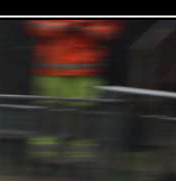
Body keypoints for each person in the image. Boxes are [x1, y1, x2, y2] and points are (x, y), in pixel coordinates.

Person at [26, 19, 122, 163]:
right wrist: (71, 26)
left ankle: (79, 159)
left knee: (82, 117)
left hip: (85, 72)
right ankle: (44, 158)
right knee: (49, 116)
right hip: (51, 71)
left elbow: (110, 30)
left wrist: (83, 28)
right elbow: (36, 26)